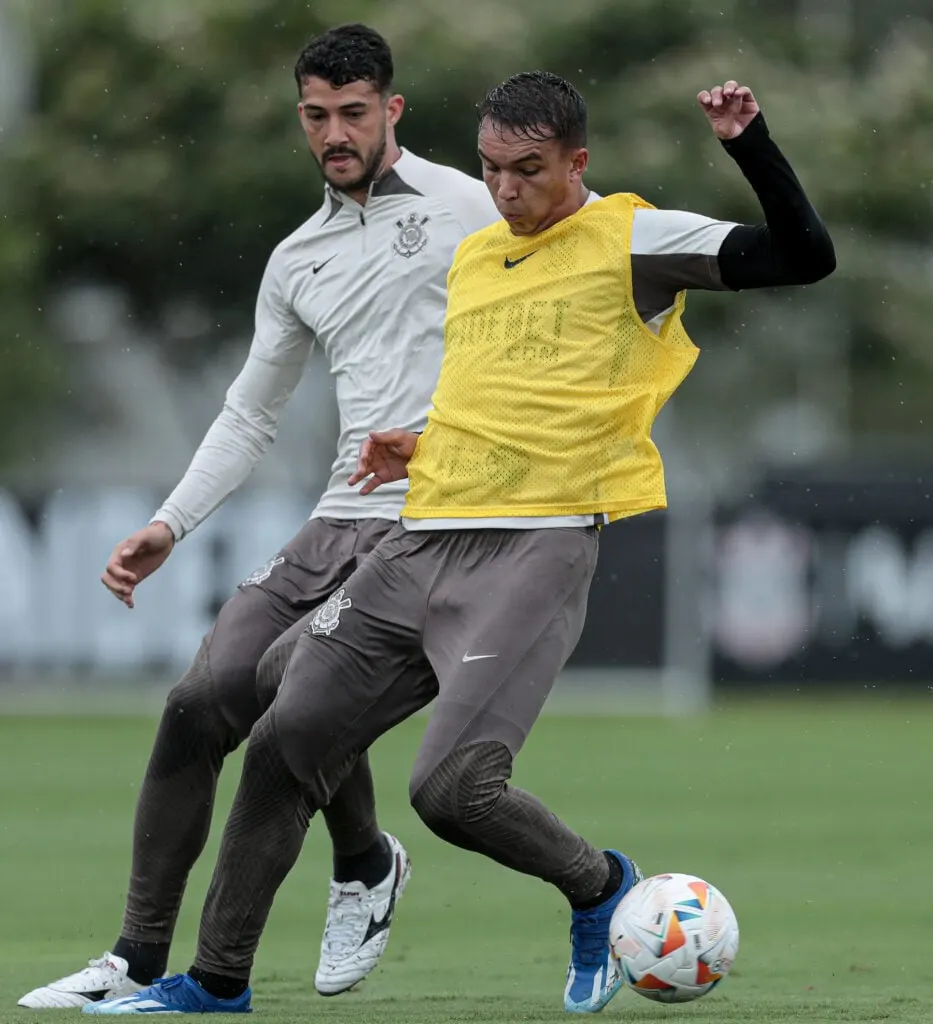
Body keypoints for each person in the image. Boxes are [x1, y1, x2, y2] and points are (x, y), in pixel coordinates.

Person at [82, 72, 835, 1016]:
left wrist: (747, 145)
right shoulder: (480, 254)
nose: (507, 190)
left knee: (451, 790)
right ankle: (217, 982)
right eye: (490, 169)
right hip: (421, 536)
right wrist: (425, 442)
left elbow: (805, 257)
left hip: (537, 547)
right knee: (283, 731)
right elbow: (510, 389)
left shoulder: (633, 239)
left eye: (528, 171)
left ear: (577, 163)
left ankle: (599, 885)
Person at [18, 23, 499, 1011]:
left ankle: (316, 899)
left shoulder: (472, 206)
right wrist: (170, 522)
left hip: (440, 516)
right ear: (301, 118)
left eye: (354, 112)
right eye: (317, 115)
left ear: (392, 110)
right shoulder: (297, 258)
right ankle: (137, 961)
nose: (335, 131)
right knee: (200, 702)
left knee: (301, 697)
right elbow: (250, 412)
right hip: (338, 514)